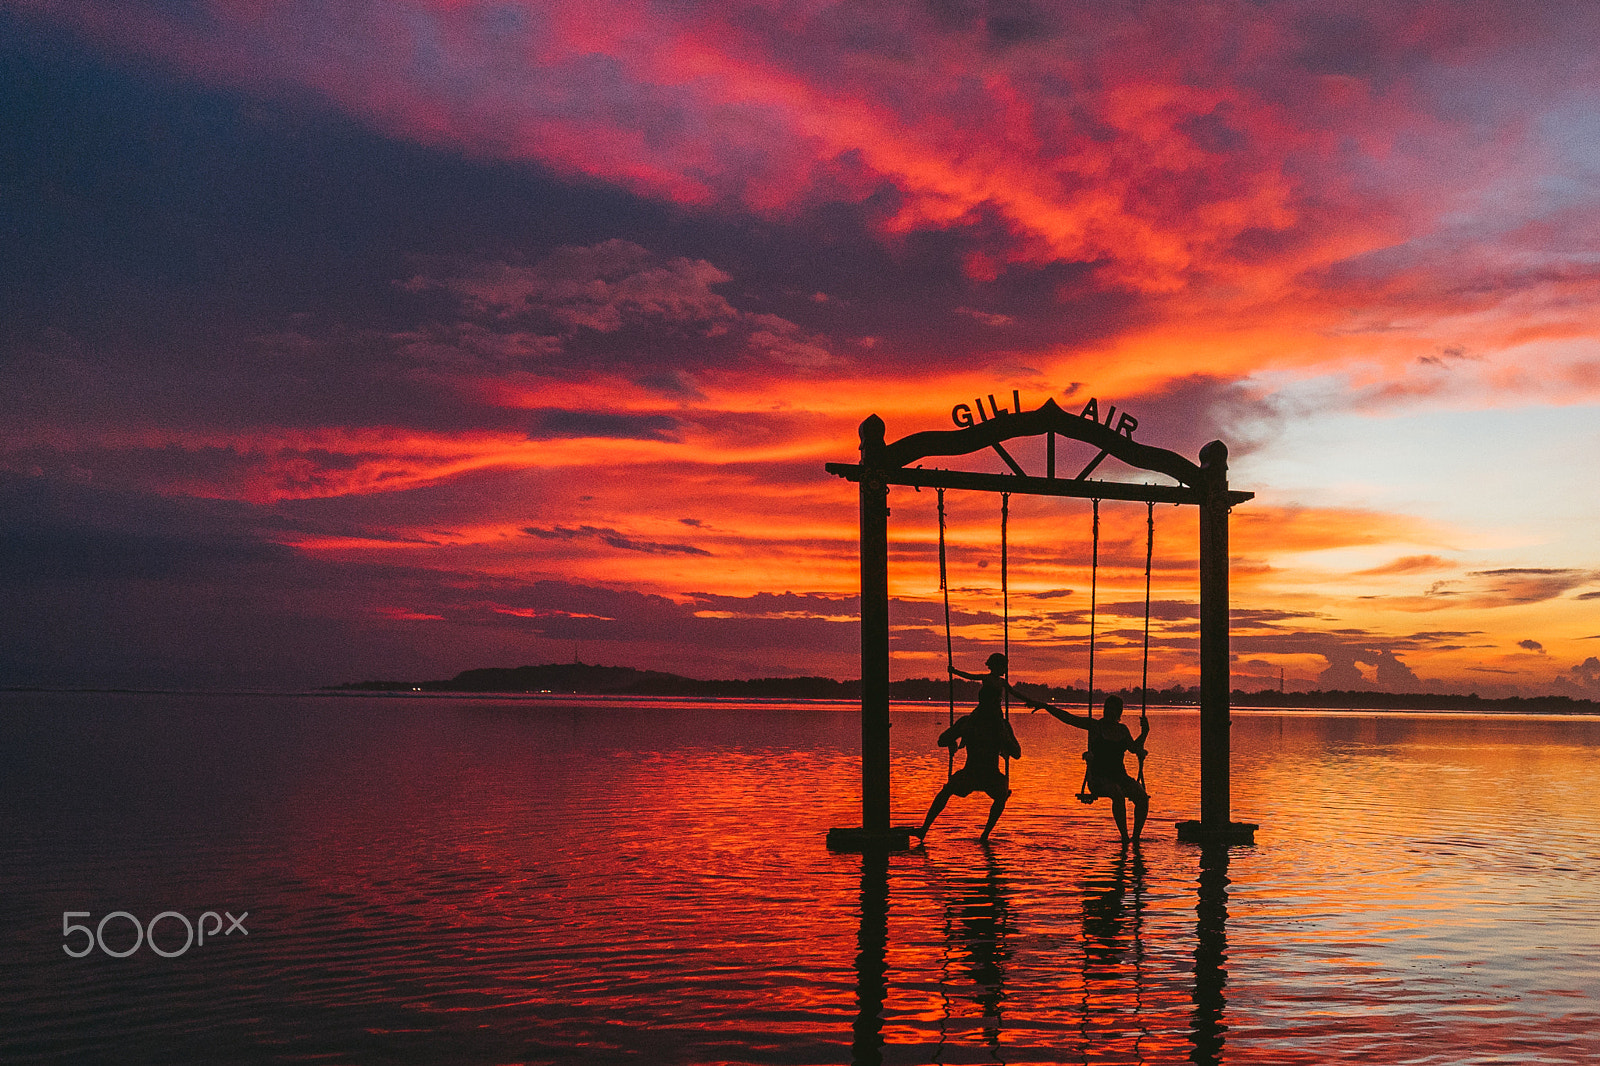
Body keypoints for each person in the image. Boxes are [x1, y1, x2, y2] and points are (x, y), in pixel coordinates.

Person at [911, 653, 1024, 843]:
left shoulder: (1002, 726)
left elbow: (1017, 754)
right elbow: (942, 740)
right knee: (946, 790)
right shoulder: (969, 723)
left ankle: (985, 835)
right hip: (970, 774)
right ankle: (924, 829)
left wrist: (1005, 740)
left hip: (991, 776)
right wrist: (952, 741)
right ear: (982, 701)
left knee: (1002, 792)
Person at [1035, 694, 1150, 845]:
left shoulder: (1122, 730)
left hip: (1120, 776)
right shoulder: (1096, 726)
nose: (1108, 712)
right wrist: (1046, 706)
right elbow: (1069, 719)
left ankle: (1135, 838)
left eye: (1112, 710)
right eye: (1106, 709)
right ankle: (1124, 838)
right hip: (1098, 778)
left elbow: (1134, 749)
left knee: (1142, 796)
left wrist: (1145, 732)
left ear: (1119, 713)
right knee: (1117, 793)